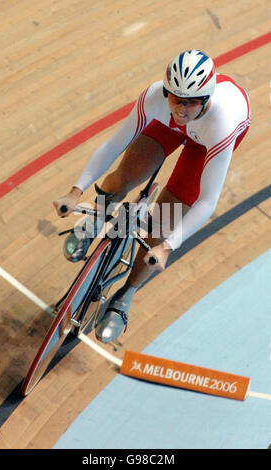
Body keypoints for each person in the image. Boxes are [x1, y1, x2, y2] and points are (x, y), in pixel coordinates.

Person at [53, 49, 251, 344]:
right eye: (176, 98)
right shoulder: (156, 98)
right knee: (125, 175)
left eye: (191, 101)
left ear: (206, 98)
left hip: (205, 143)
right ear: (167, 91)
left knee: (163, 223)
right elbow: (113, 145)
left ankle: (125, 295)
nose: (182, 109)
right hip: (169, 128)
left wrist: (167, 248)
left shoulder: (222, 123)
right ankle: (91, 222)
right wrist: (76, 189)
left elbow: (207, 201)